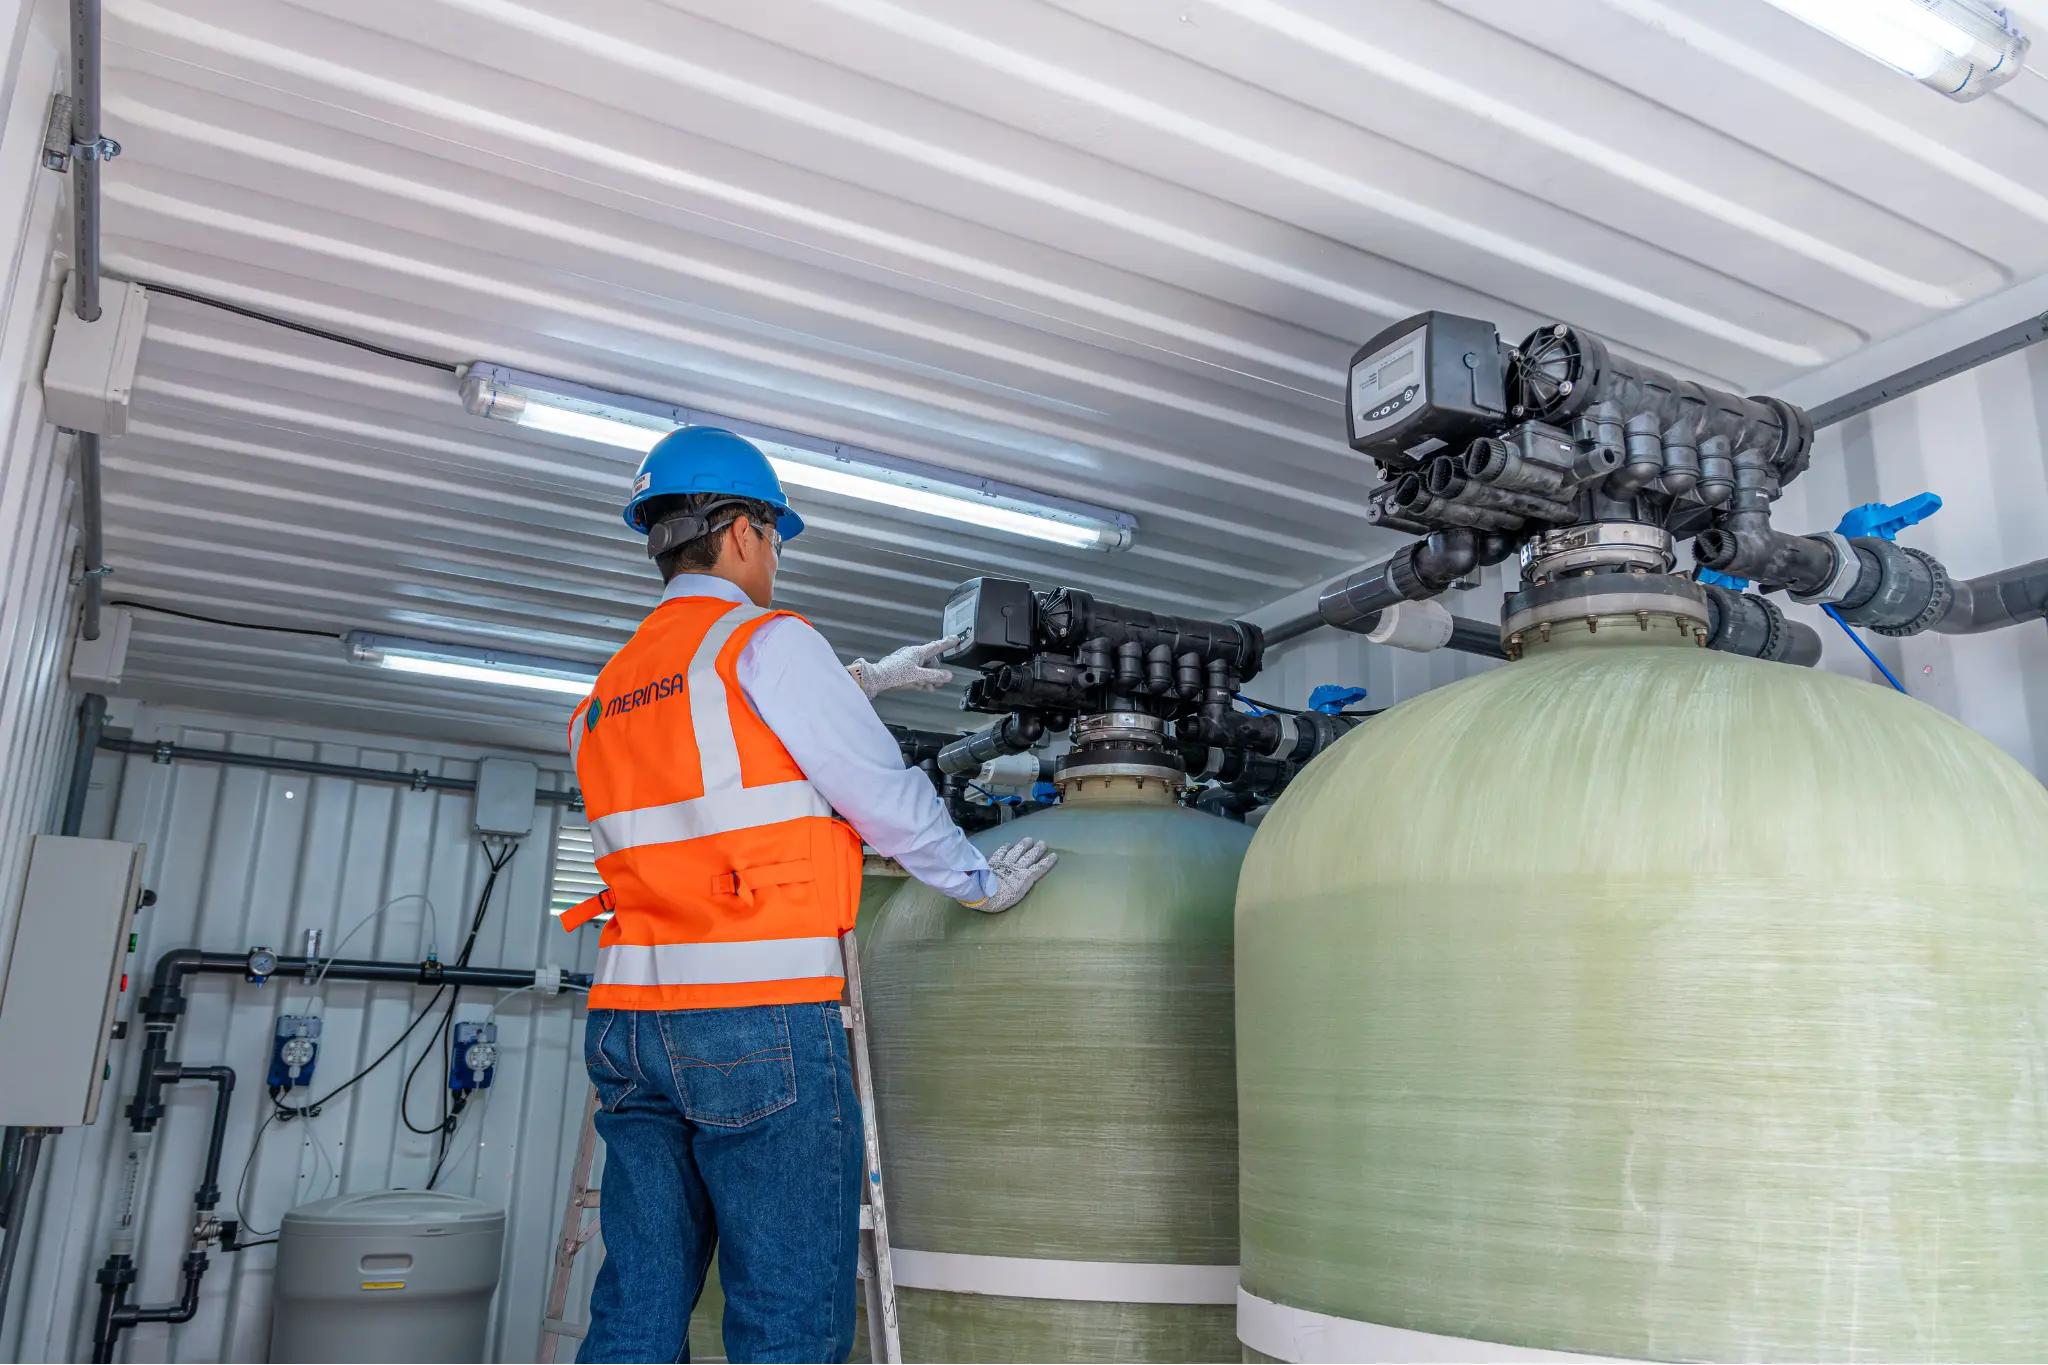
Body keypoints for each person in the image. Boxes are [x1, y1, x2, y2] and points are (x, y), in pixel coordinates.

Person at [559, 426, 1057, 1363]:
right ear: (743, 531)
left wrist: (857, 677)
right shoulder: (768, 642)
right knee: (785, 1308)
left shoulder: (608, 693)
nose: (776, 560)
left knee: (638, 1301)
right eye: (777, 539)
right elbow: (880, 792)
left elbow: (715, 747)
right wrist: (977, 879)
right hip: (758, 1020)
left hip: (630, 1025)